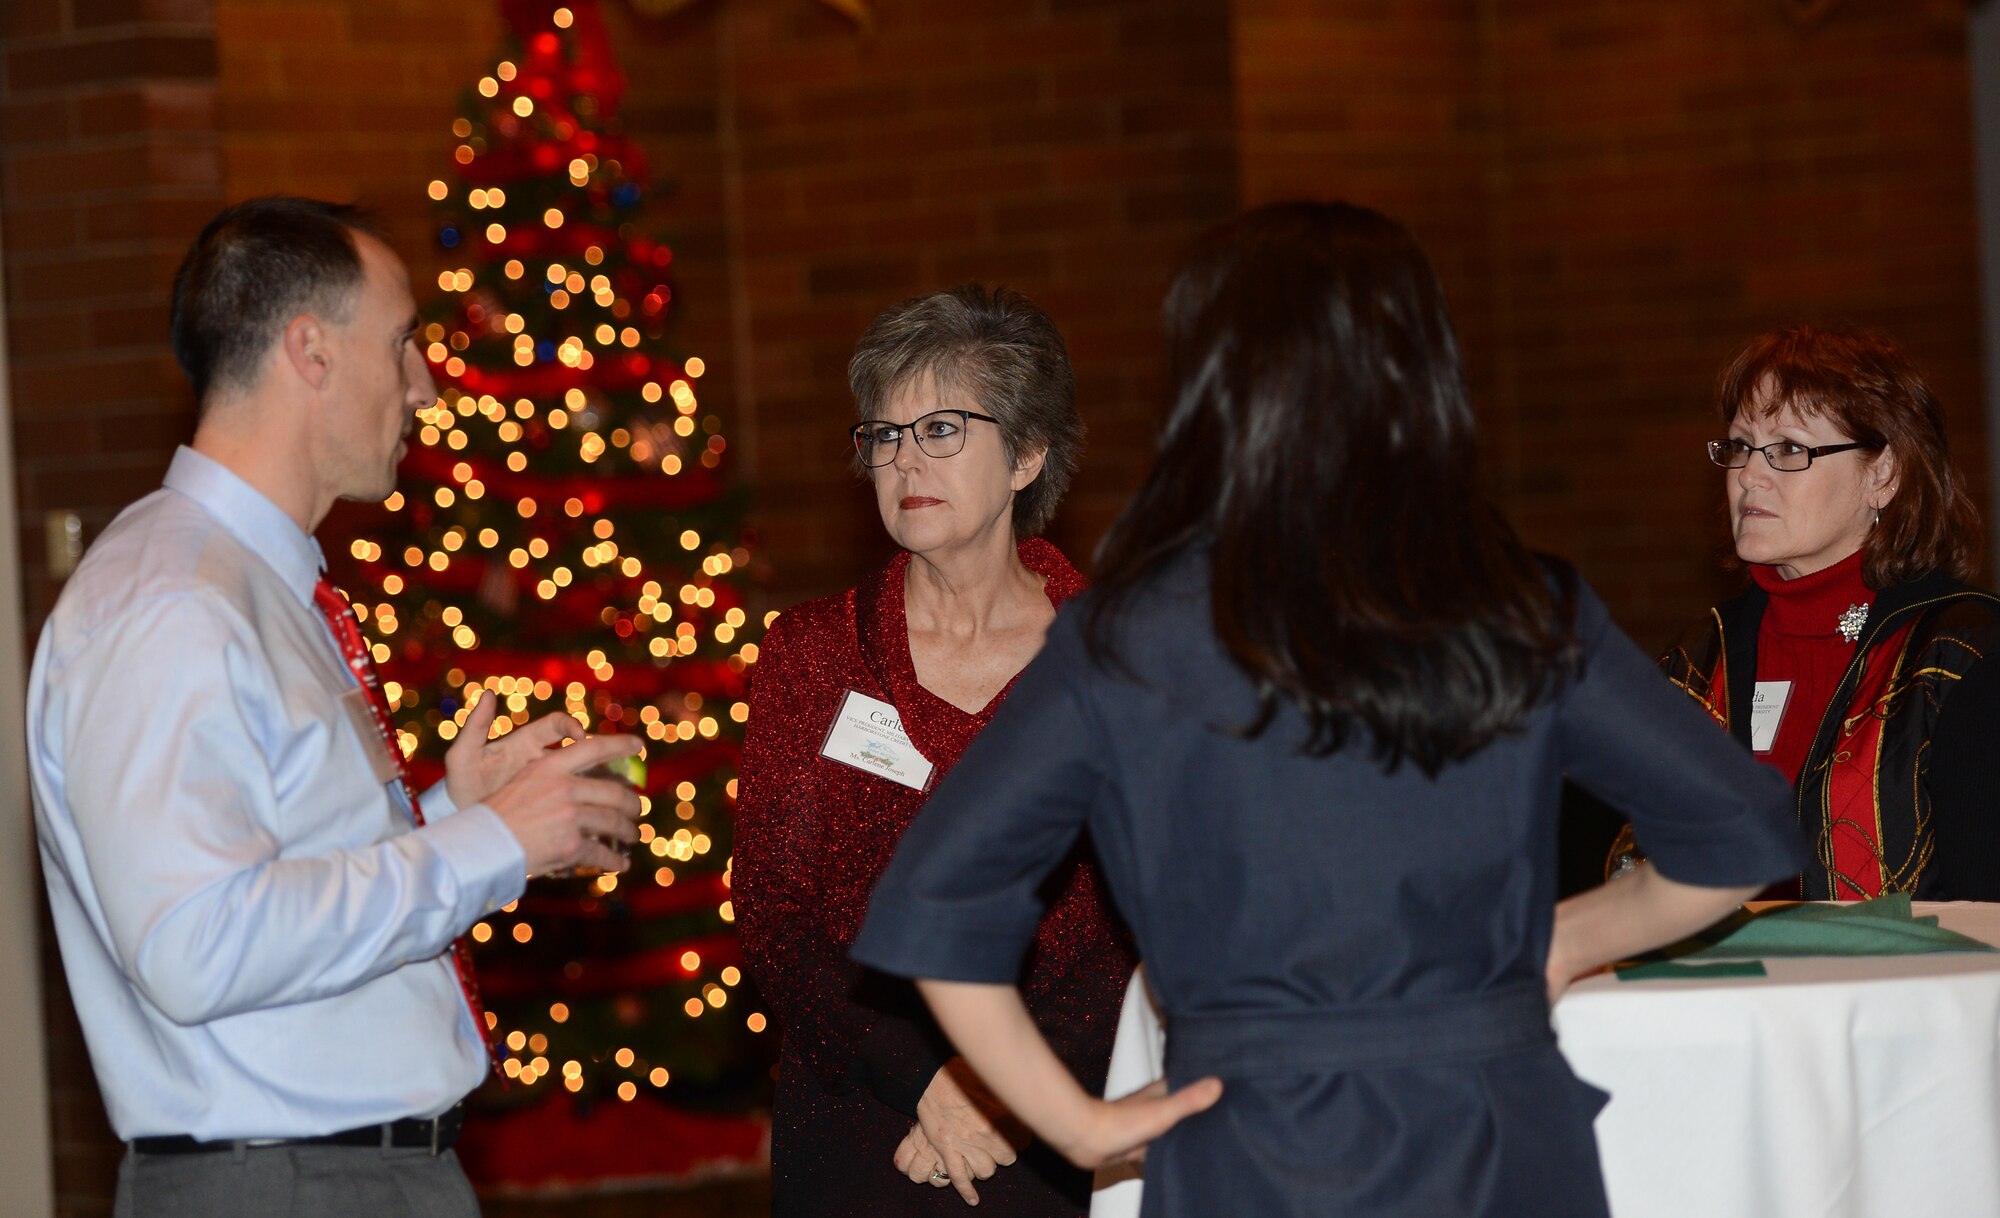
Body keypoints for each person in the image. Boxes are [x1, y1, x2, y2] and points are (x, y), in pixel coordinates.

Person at [849, 202, 1806, 1217]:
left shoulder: (1126, 637)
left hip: (1251, 1154)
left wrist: (1079, 1124)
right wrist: (1570, 936)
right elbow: (1739, 833)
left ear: (1210, 386)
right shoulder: (1516, 606)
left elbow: (934, 911)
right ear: (1418, 373)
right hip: (1491, 1145)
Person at [28, 196, 644, 1218]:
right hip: (286, 1183)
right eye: (402, 344)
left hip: (342, 1174)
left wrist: (454, 813)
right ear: (309, 352)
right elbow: (198, 941)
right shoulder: (173, 602)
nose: (425, 383)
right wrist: (488, 842)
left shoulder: (244, 581)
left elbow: (285, 874)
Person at [733, 285, 1135, 1216]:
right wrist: (923, 1077)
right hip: (859, 1124)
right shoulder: (814, 652)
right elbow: (771, 909)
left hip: (1057, 1129)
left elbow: (1144, 918)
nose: (904, 459)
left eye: (942, 429)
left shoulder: (1115, 658)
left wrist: (1002, 1086)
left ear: (1029, 453)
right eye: (883, 434)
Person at [1640, 325, 2000, 899]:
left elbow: (1988, 913)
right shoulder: (1698, 657)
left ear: (1881, 475)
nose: (1749, 476)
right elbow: (1636, 864)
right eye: (1739, 446)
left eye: (1787, 449)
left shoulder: (1961, 656)